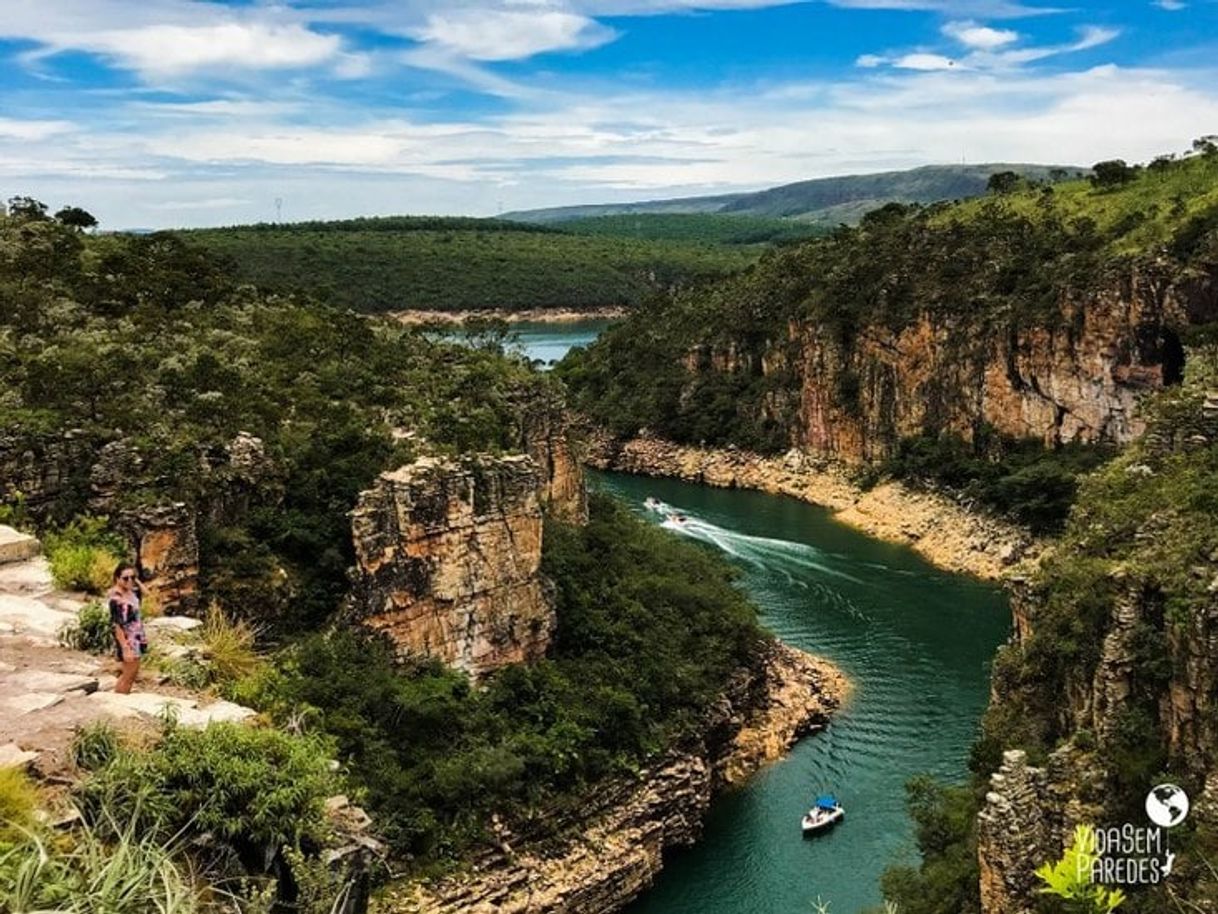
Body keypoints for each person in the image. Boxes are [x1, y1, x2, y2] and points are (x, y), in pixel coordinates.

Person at [108, 562, 147, 694]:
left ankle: (121, 697)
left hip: (136, 636)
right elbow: (117, 624)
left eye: (132, 577)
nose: (129, 580)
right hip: (127, 639)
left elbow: (147, 593)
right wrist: (125, 648)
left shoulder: (130, 592)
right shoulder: (116, 599)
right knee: (128, 675)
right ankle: (119, 700)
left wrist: (135, 580)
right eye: (125, 578)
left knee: (131, 674)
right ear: (117, 578)